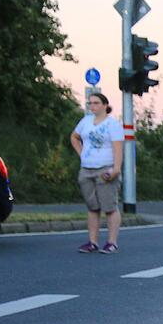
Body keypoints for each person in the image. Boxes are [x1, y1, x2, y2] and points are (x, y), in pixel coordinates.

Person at [70, 93, 124, 253]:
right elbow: (74, 137)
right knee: (92, 207)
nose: (92, 106)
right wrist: (82, 154)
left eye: (96, 103)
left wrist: (116, 168)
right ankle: (92, 242)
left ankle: (112, 242)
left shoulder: (112, 125)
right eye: (90, 103)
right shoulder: (85, 121)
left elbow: (118, 148)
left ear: (105, 105)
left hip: (105, 168)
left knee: (109, 206)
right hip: (87, 169)